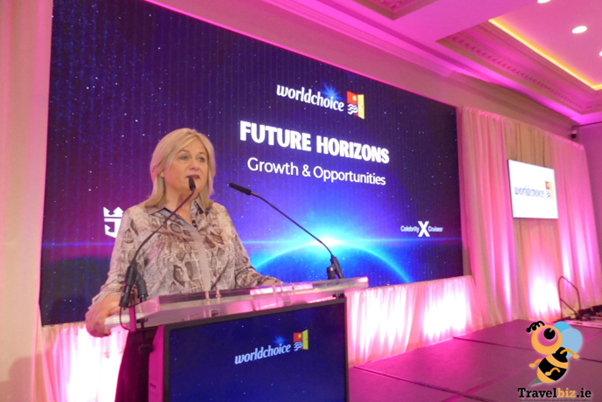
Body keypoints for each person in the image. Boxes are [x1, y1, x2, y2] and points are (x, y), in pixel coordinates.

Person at [85, 128, 280, 401]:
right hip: (161, 344)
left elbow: (241, 273)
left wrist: (278, 288)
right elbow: (120, 279)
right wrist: (107, 301)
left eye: (202, 159)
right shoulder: (139, 217)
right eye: (184, 157)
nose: (195, 165)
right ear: (161, 169)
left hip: (220, 339)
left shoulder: (218, 214)